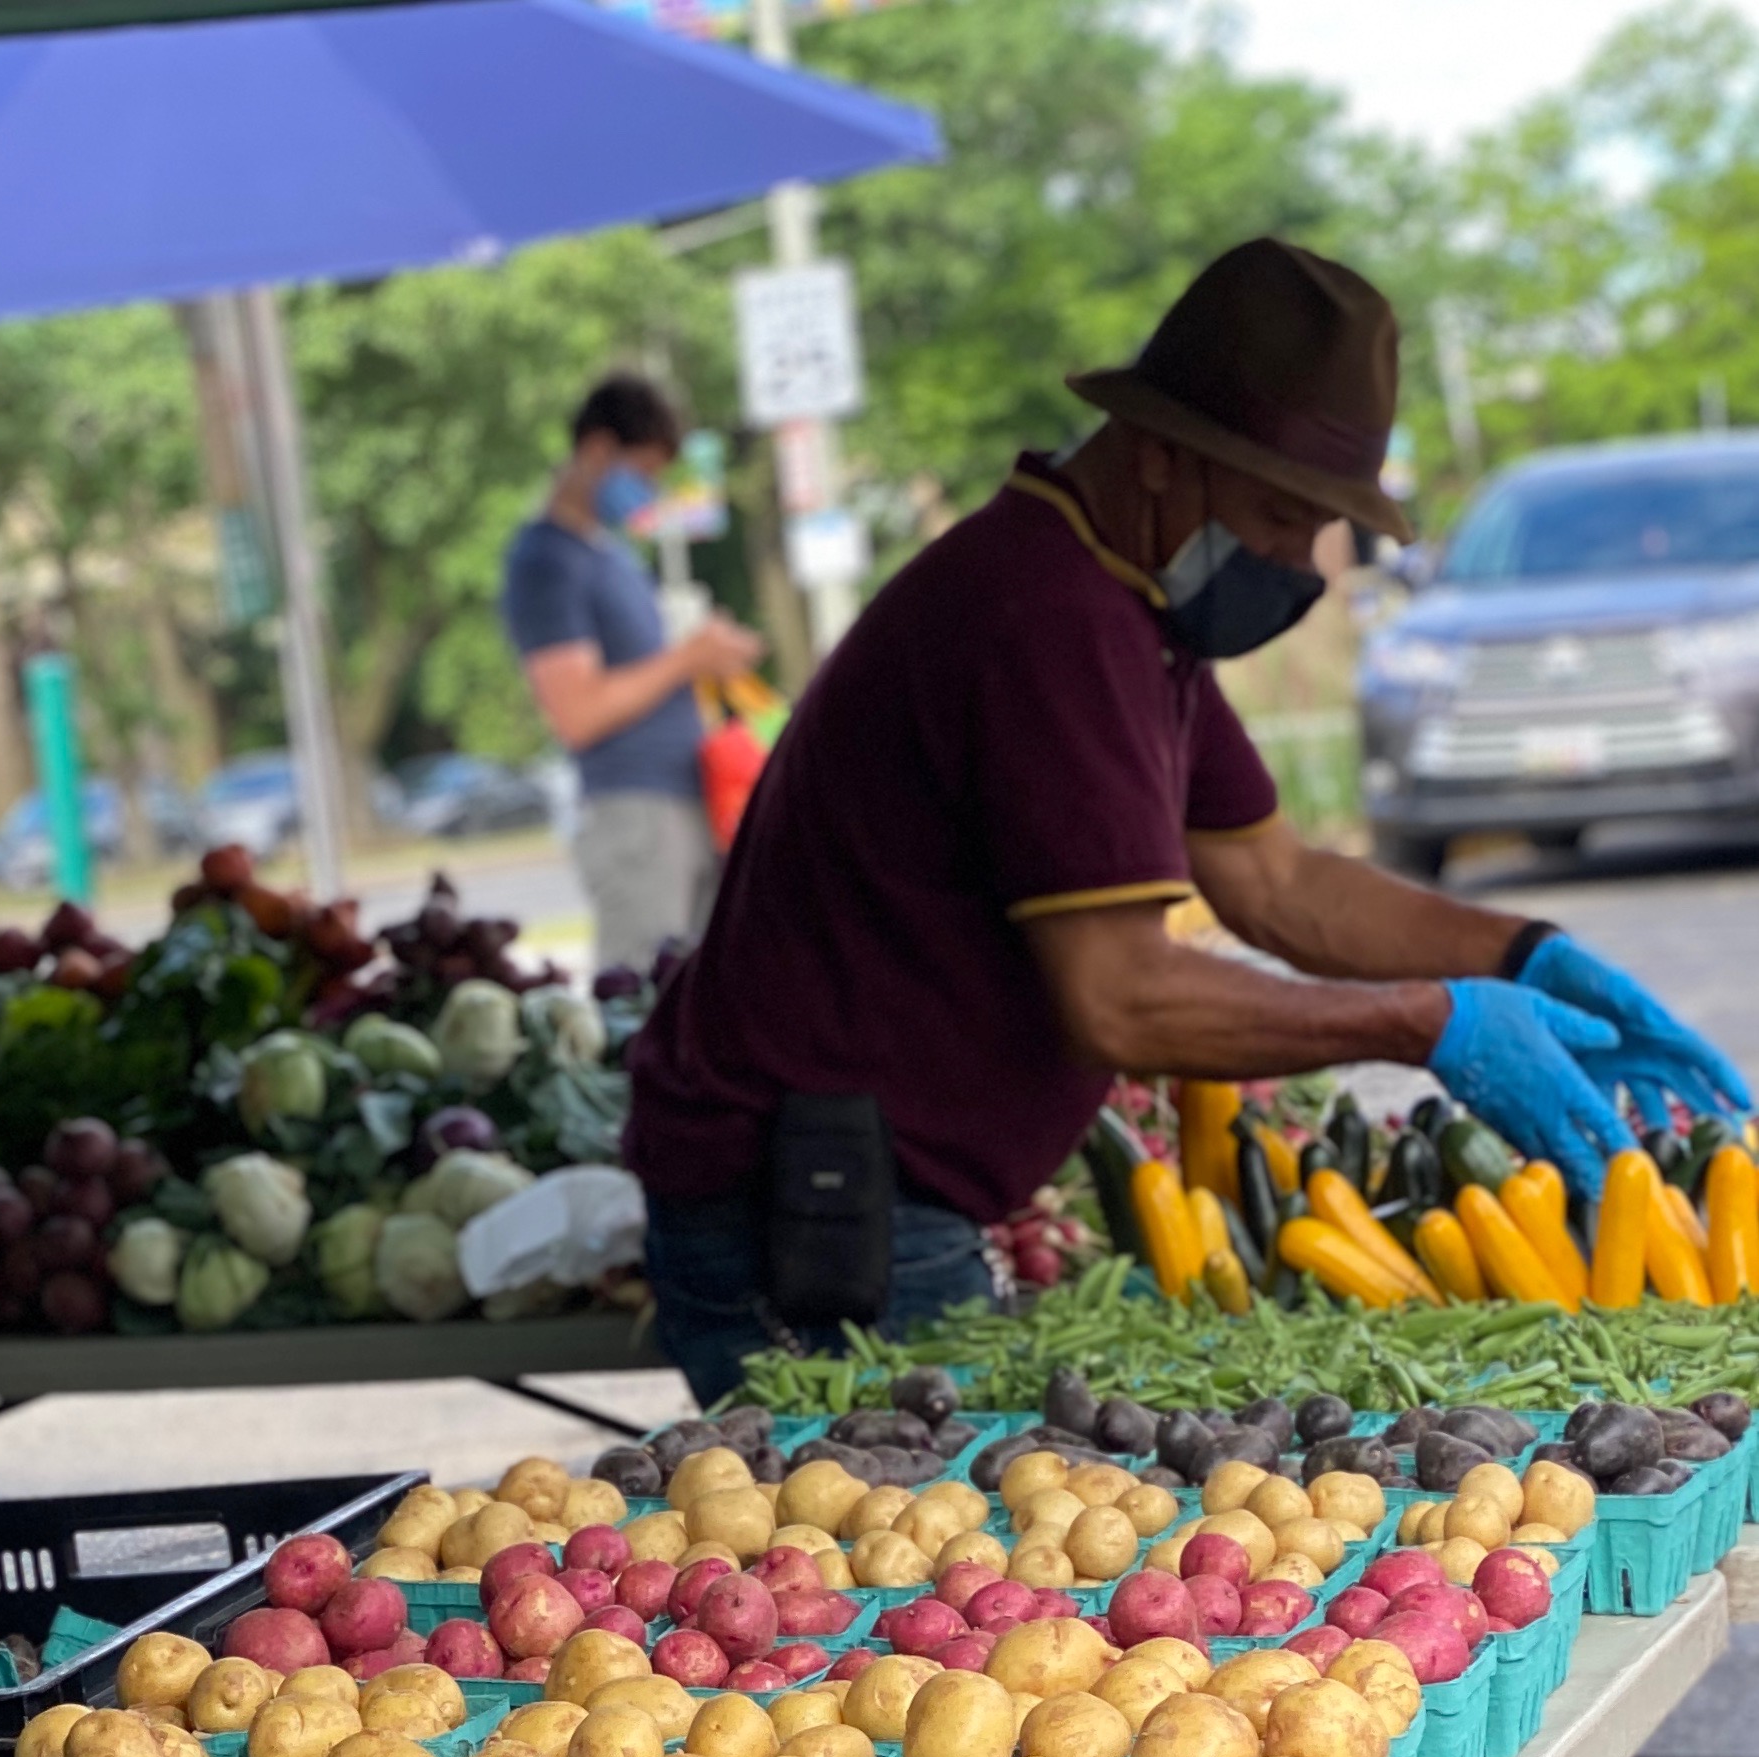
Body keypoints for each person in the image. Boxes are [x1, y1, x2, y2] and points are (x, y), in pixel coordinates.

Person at [624, 238, 1750, 1405]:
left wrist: (1523, 955)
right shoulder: (1044, 615)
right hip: (814, 1204)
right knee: (896, 1512)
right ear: (1161, 454)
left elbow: (1277, 881)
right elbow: (1119, 994)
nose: (1294, 563)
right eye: (1278, 514)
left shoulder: (1121, 607)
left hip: (868, 1184)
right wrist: (1429, 1021)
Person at [502, 374, 763, 971]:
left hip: (685, 803)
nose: (647, 491)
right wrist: (687, 658)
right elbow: (578, 712)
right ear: (598, 449)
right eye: (642, 472)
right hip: (635, 814)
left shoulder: (611, 555)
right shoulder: (546, 561)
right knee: (640, 998)